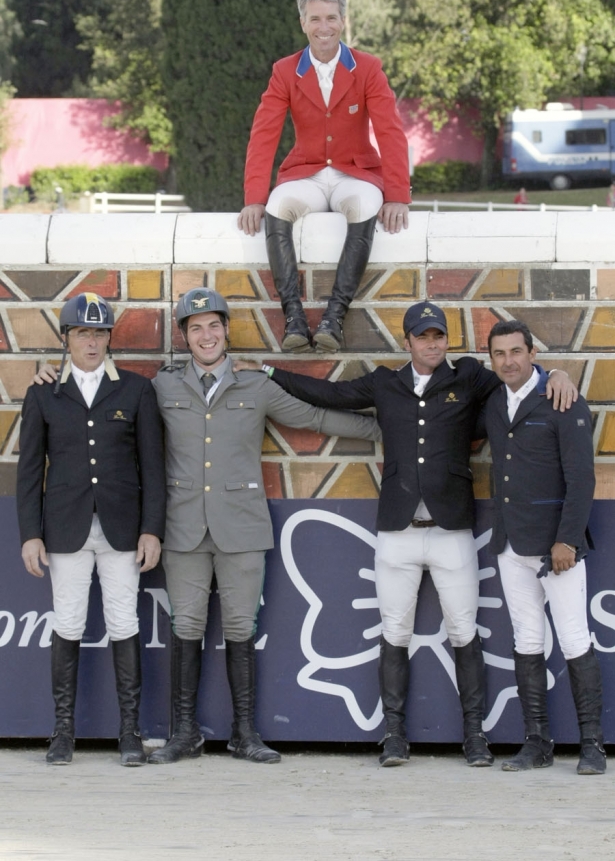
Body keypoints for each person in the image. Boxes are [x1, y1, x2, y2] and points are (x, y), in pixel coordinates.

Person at [37, 288, 381, 764]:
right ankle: (185, 734)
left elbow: (316, 418)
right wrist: (53, 375)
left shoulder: (254, 386)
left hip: (241, 526)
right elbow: (98, 402)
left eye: (214, 326)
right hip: (182, 528)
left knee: (241, 626)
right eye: (195, 327)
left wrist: (392, 428)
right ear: (184, 336)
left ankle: (244, 733)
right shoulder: (161, 386)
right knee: (188, 627)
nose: (206, 335)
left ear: (225, 331)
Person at [233, 301, 577, 768]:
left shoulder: (470, 376)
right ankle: (394, 736)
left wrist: (556, 371)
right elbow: (329, 395)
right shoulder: (384, 382)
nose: (432, 344)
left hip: (451, 529)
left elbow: (518, 374)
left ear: (447, 342)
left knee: (463, 632)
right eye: (423, 337)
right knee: (394, 632)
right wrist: (271, 372)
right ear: (408, 341)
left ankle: (474, 736)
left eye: (438, 336)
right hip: (396, 531)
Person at [18, 293, 166, 767]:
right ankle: (63, 732)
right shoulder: (44, 393)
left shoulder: (135, 391)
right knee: (69, 623)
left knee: (126, 623)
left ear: (108, 339)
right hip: (65, 528)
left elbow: (153, 468)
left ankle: (129, 731)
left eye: (100, 333)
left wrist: (151, 529)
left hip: (122, 529)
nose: (92, 342)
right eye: (83, 332)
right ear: (67, 338)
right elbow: (28, 471)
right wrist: (30, 534)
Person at [238, 0, 410, 353]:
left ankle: (335, 316)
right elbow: (263, 134)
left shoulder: (367, 67)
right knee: (275, 207)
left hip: (356, 173)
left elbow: (391, 132)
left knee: (366, 204)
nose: (324, 27)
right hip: (308, 173)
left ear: (343, 21)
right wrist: (254, 197)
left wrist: (397, 195)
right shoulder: (285, 71)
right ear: (303, 23)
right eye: (315, 19)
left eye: (331, 18)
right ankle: (294, 317)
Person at [483, 319, 604, 775]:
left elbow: (581, 478)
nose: (509, 361)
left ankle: (591, 744)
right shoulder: (494, 401)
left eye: (517, 351)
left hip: (557, 545)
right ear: (491, 358)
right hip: (511, 542)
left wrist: (567, 539)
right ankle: (537, 742)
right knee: (527, 641)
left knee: (574, 640)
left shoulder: (562, 398)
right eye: (500, 354)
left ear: (532, 353)